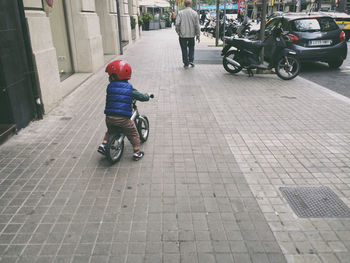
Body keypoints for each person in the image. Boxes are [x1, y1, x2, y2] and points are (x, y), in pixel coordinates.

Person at [98, 60, 150, 161]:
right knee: (133, 134)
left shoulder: (110, 87)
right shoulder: (129, 88)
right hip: (123, 118)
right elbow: (141, 97)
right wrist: (147, 96)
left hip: (109, 117)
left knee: (110, 130)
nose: (109, 78)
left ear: (115, 76)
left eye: (110, 76)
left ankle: (103, 144)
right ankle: (137, 152)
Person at [175, 0, 200, 68]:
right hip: (191, 35)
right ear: (190, 4)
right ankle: (191, 60)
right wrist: (198, 35)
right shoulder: (194, 13)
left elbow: (177, 24)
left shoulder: (180, 13)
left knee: (184, 49)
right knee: (191, 47)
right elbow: (197, 25)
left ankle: (186, 63)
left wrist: (178, 32)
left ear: (185, 5)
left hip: (182, 35)